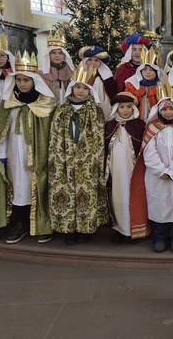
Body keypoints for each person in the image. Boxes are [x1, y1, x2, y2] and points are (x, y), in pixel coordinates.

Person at [0, 51, 56, 244]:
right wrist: (1, 154)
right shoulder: (8, 104)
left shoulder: (47, 103)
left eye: (26, 80)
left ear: (34, 81)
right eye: (19, 80)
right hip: (14, 157)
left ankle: (43, 225)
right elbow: (0, 131)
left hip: (39, 156)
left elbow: (52, 132)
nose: (22, 83)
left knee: (39, 187)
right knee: (19, 189)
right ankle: (19, 224)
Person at [48, 63, 109, 245]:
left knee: (86, 193)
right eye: (77, 87)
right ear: (71, 88)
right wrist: (57, 157)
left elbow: (98, 137)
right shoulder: (61, 110)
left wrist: (95, 159)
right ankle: (68, 228)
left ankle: (85, 228)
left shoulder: (95, 111)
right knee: (64, 189)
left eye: (84, 88)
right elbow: (54, 136)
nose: (81, 91)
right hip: (64, 158)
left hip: (87, 160)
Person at [139, 98, 173, 253]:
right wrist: (160, 170)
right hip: (156, 176)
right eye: (164, 110)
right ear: (158, 111)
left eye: (171, 109)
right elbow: (149, 151)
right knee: (159, 206)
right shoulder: (152, 128)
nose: (168, 112)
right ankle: (159, 237)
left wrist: (172, 171)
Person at [104, 92, 146, 242]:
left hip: (133, 170)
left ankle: (135, 229)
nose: (126, 110)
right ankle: (122, 229)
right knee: (118, 197)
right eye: (122, 107)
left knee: (134, 196)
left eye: (129, 107)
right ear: (116, 108)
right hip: (116, 169)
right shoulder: (109, 126)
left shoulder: (139, 125)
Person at [124, 48, 168, 121]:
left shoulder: (161, 88)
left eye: (151, 70)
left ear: (157, 72)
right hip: (135, 121)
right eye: (144, 69)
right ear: (140, 71)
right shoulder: (132, 86)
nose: (148, 72)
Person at [77, 46, 117, 121]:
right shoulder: (78, 76)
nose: (93, 63)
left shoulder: (106, 77)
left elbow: (111, 96)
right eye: (90, 60)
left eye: (96, 60)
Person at [37, 29, 74, 104]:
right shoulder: (41, 72)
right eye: (53, 53)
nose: (57, 56)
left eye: (60, 53)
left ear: (64, 55)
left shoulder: (70, 71)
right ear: (48, 55)